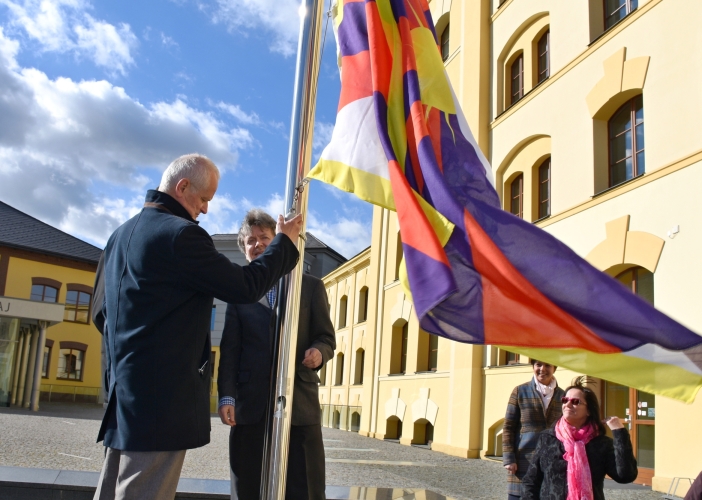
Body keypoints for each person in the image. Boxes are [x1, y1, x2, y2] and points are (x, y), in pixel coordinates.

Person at [92, 154, 303, 500]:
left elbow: (100, 313)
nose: (205, 210)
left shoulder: (118, 236)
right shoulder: (180, 236)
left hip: (122, 398)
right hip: (160, 403)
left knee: (112, 490)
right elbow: (244, 287)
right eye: (204, 199)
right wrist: (283, 243)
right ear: (183, 186)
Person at [217, 209, 336, 500]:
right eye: (250, 240)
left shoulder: (309, 287)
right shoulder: (240, 291)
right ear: (244, 249)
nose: (257, 244)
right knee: (247, 487)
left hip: (299, 406)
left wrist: (319, 353)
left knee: (304, 488)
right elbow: (230, 350)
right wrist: (227, 397)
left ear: (279, 243)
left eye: (265, 238)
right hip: (250, 406)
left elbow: (327, 338)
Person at [521, 377, 638, 500]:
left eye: (575, 402)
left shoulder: (601, 443)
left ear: (589, 411)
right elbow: (531, 480)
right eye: (565, 400)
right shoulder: (548, 438)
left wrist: (619, 433)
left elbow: (626, 476)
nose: (568, 404)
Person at [503, 359, 565, 500]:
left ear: (554, 368)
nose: (542, 369)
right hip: (522, 461)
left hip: (551, 463)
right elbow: (508, 427)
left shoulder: (563, 396)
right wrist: (509, 458)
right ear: (533, 367)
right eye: (538, 365)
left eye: (548, 365)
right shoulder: (520, 391)